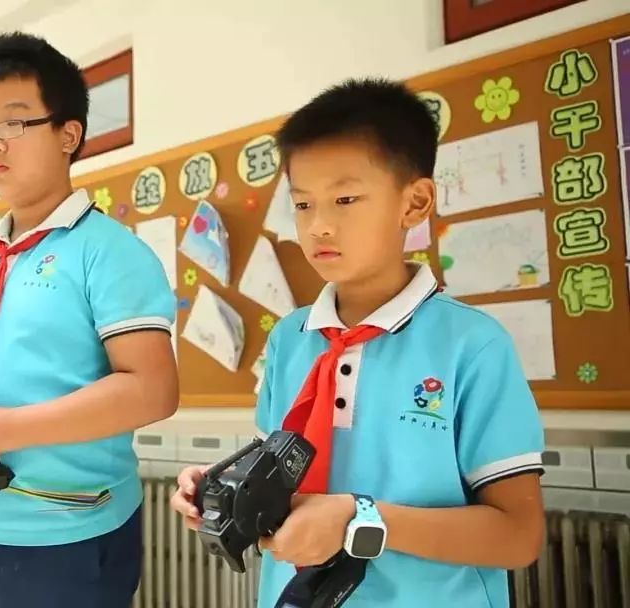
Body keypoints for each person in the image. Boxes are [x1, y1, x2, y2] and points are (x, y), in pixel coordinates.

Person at [170, 79, 546, 607]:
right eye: (302, 205)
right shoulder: (289, 339)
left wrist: (360, 519)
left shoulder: (473, 345)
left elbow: (517, 535)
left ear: (414, 202)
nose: (320, 226)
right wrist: (220, 491)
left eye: (345, 199)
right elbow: (277, 474)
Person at [0, 32, 178, 607]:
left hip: (68, 528)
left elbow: (153, 390)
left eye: (13, 123)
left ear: (69, 134)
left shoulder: (109, 251)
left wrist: (6, 429)